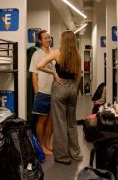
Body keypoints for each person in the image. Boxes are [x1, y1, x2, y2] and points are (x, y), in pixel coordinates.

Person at [37, 30, 83, 165]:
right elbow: (79, 76)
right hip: (72, 89)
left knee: (60, 123)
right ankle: (76, 154)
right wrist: (74, 88)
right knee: (72, 123)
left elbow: (39, 66)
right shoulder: (77, 56)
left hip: (60, 88)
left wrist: (53, 72)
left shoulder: (56, 53)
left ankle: (63, 156)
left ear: (63, 41)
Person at [29, 30, 54, 156]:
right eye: (46, 38)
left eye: (49, 38)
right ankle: (41, 145)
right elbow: (33, 74)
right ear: (40, 40)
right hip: (42, 92)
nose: (48, 40)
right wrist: (36, 92)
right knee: (42, 120)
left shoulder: (54, 53)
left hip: (54, 92)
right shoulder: (37, 54)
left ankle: (48, 143)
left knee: (51, 120)